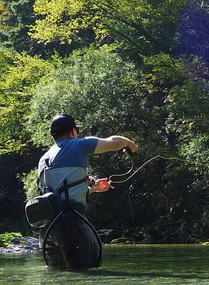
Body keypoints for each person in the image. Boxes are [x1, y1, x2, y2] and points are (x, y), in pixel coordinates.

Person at [35, 114, 139, 269]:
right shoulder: (77, 144)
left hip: (47, 232)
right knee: (87, 273)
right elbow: (115, 142)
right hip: (72, 224)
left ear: (53, 137)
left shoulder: (43, 159)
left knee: (58, 279)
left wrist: (93, 189)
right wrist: (131, 144)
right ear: (73, 131)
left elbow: (56, 198)